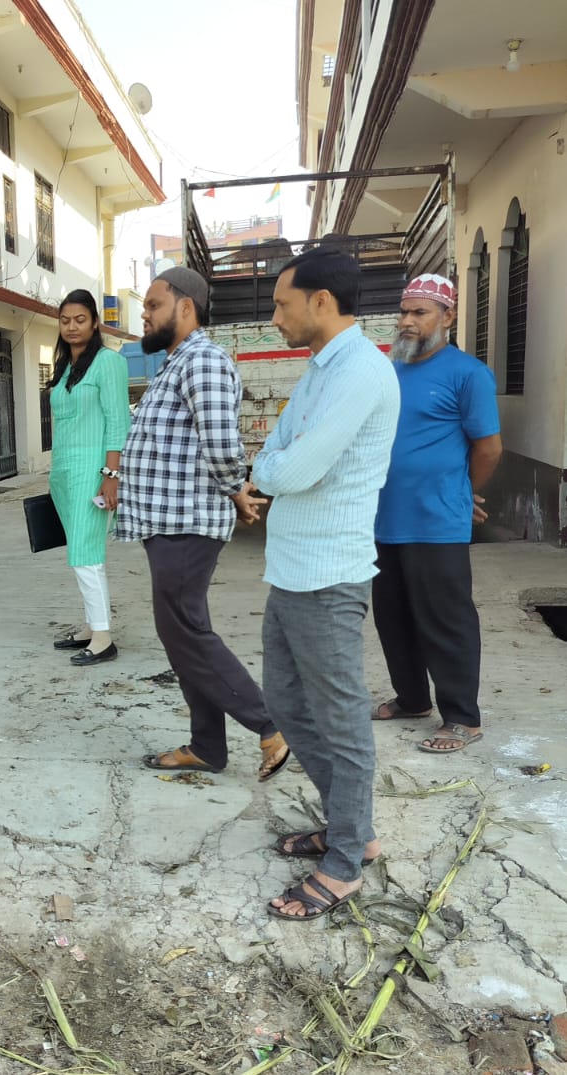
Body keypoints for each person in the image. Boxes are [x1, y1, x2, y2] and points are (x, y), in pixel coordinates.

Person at [249, 248, 399, 921]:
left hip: (329, 573)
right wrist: (273, 462)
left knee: (342, 720)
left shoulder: (363, 371)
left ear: (320, 302)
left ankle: (345, 861)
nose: (274, 317)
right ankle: (350, 824)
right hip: (291, 568)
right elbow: (272, 449)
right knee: (285, 697)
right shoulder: (319, 369)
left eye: (283, 304)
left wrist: (274, 465)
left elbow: (293, 466)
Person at [116, 268, 289, 782]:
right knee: (182, 634)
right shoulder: (179, 362)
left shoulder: (205, 362)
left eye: (151, 304)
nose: (143, 314)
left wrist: (236, 485)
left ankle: (269, 726)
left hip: (186, 522)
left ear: (185, 306)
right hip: (168, 521)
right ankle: (207, 746)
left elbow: (218, 441)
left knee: (187, 633)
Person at [371, 274, 501, 754]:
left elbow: (488, 447)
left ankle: (463, 718)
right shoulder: (389, 371)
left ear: (447, 317)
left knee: (445, 620)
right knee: (393, 615)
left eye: (419, 312)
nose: (407, 321)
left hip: (437, 520)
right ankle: (411, 700)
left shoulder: (467, 374)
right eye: (403, 311)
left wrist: (463, 492)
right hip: (384, 518)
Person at [46, 290, 131, 666]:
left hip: (93, 470)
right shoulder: (65, 366)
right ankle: (91, 625)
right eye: (65, 320)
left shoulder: (107, 363)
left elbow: (118, 421)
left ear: (95, 322)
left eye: (80, 319)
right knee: (78, 550)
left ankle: (103, 637)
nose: (72, 327)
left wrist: (111, 474)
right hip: (64, 471)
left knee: (87, 553)